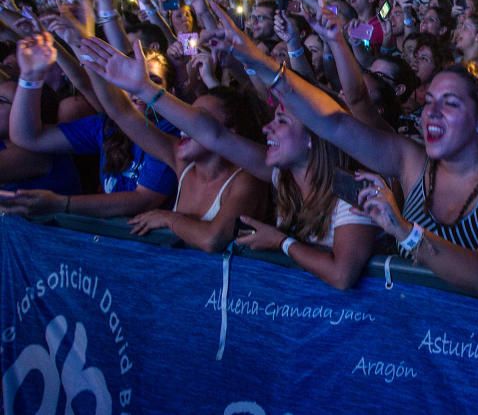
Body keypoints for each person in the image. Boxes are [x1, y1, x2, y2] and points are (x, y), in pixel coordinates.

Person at [216, 2, 478, 298]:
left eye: (450, 103)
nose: (432, 112)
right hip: (408, 333)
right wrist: (259, 62)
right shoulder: (413, 163)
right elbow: (334, 124)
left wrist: (403, 230)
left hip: (477, 342)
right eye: (428, 102)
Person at [79, 24, 377, 290]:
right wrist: (145, 90)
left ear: (314, 137)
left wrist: (282, 243)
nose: (267, 128)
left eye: (282, 122)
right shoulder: (283, 178)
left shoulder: (353, 190)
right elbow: (214, 136)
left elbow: (342, 275)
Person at [78, 40, 268, 252]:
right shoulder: (182, 162)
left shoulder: (246, 180)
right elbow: (122, 113)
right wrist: (82, 44)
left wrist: (170, 219)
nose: (184, 127)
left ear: (231, 132)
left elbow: (213, 239)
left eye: (196, 120)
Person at [7, 32, 177, 217]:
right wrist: (31, 76)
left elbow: (144, 200)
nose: (138, 88)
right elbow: (29, 137)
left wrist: (62, 204)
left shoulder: (172, 131)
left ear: (171, 92)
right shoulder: (106, 127)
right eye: (130, 79)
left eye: (154, 80)